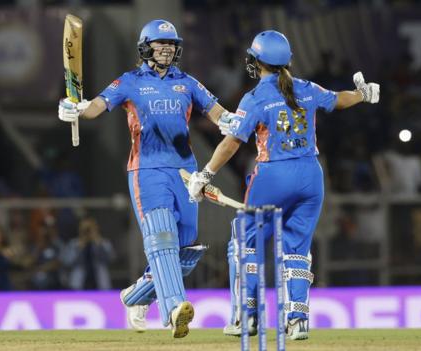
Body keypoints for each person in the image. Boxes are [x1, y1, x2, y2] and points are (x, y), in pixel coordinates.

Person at [188, 30, 379, 340]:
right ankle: (298, 320)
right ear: (288, 60)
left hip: (273, 176)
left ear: (256, 61)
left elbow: (232, 142)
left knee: (244, 244)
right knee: (297, 250)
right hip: (311, 176)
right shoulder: (306, 88)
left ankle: (246, 318)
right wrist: (364, 94)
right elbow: (338, 99)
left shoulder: (255, 98)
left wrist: (205, 175)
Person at [58, 19, 231, 338]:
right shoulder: (129, 81)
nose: (166, 49)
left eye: (171, 44)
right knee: (161, 238)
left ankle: (136, 297)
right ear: (145, 47)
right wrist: (76, 109)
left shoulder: (187, 82)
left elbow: (218, 112)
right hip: (147, 170)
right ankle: (176, 308)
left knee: (186, 249)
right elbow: (96, 106)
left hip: (185, 171)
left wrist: (233, 121)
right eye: (160, 44)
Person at [62, 217, 115, 290]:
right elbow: (67, 261)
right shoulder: (73, 244)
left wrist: (99, 244)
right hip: (78, 283)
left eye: (90, 229)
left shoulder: (103, 243)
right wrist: (79, 247)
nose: (87, 232)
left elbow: (111, 259)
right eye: (85, 229)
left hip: (100, 283)